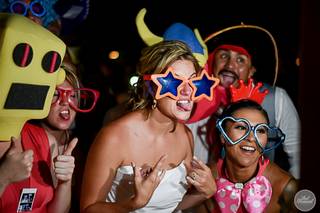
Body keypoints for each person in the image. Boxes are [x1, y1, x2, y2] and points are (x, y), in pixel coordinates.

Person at [80, 40, 217, 212]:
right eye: (174, 82)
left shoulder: (185, 136)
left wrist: (207, 192)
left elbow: (171, 207)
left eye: (193, 82)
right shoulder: (115, 137)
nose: (187, 92)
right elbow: (88, 209)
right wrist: (134, 203)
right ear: (150, 87)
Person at [188, 25, 301, 179]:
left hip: (256, 197)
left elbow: (298, 154)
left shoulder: (275, 99)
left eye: (240, 60)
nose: (229, 65)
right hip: (197, 193)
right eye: (223, 56)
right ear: (212, 61)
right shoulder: (190, 96)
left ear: (252, 70)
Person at [0, 65, 100, 212]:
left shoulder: (47, 141)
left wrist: (65, 182)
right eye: (54, 94)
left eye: (73, 95)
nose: (66, 102)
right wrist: (4, 176)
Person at [206, 99, 298, 213]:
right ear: (222, 136)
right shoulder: (205, 180)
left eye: (260, 130)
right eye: (241, 127)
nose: (251, 138)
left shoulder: (285, 187)